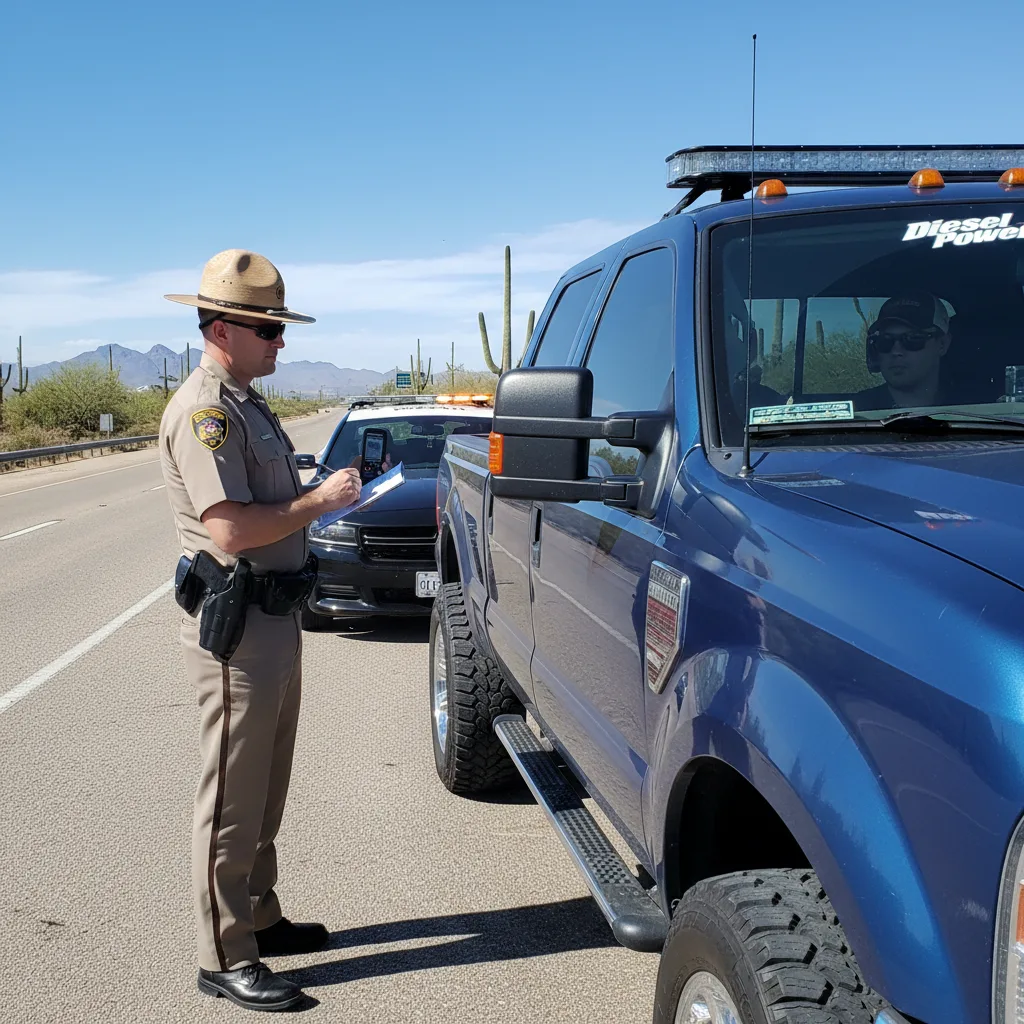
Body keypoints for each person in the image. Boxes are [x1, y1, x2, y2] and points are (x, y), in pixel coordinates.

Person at [159, 250, 361, 1011]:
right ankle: (223, 952)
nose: (281, 342)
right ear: (224, 328)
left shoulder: (246, 400)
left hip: (276, 617)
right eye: (269, 329)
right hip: (239, 627)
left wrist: (313, 501)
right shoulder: (206, 410)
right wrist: (320, 504)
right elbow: (231, 530)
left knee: (267, 786)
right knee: (231, 798)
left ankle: (259, 916)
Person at [856, 292, 952, 410]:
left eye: (913, 339)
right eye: (885, 341)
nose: (896, 351)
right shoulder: (856, 412)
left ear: (942, 344)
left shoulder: (972, 407)